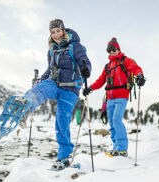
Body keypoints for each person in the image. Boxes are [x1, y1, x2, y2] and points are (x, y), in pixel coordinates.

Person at [16, 19, 91, 169]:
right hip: (55, 84)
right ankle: (26, 104)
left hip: (70, 89)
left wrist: (86, 69)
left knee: (61, 122)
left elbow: (85, 61)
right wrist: (40, 80)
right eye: (53, 32)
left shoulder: (75, 46)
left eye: (58, 31)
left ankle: (63, 158)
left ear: (63, 30)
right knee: (42, 87)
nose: (56, 34)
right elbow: (50, 69)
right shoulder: (51, 49)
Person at [83, 37, 145, 157]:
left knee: (117, 120)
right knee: (112, 123)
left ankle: (122, 149)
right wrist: (90, 88)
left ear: (118, 49)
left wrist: (140, 76)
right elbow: (101, 81)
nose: (111, 52)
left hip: (122, 96)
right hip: (110, 98)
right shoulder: (108, 66)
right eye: (108, 50)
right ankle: (116, 147)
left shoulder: (125, 60)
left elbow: (136, 69)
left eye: (113, 49)